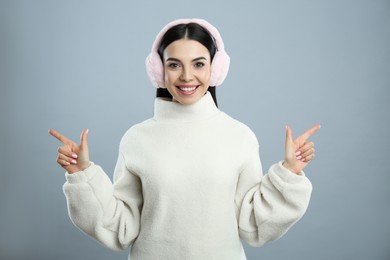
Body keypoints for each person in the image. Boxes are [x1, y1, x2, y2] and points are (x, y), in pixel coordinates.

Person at [49, 18, 320, 260]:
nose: (187, 76)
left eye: (199, 64)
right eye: (174, 65)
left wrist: (289, 174)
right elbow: (119, 228)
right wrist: (82, 174)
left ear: (215, 69)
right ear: (159, 71)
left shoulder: (239, 136)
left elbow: (252, 225)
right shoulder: (137, 139)